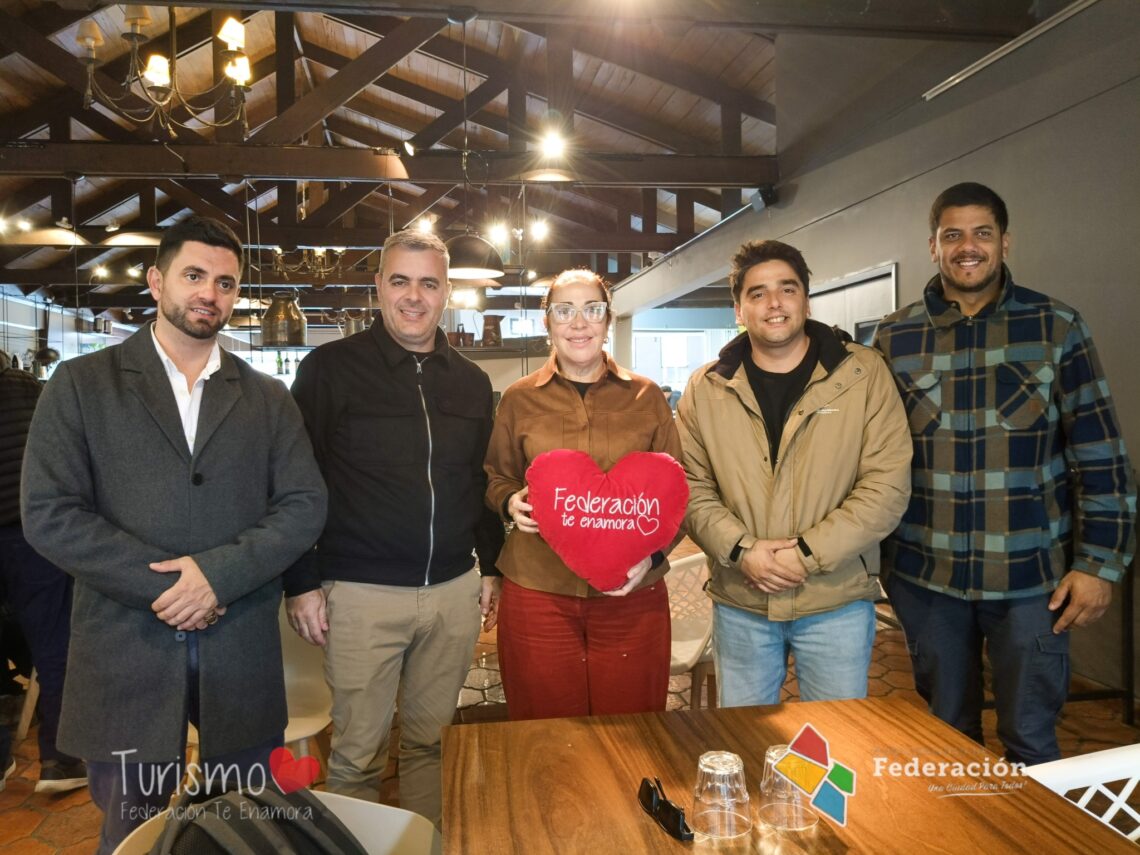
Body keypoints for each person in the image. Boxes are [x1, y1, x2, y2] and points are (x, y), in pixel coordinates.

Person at [20, 216, 328, 853]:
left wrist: (217, 575)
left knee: (246, 826)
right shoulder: (80, 386)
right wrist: (169, 586)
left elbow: (303, 505)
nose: (209, 293)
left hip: (238, 642)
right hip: (126, 648)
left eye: (225, 282)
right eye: (194, 275)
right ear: (158, 280)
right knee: (133, 828)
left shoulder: (269, 397)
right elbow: (50, 512)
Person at [874, 182, 1136, 765]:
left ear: (1005, 242)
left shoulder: (1057, 327)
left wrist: (1100, 565)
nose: (968, 247)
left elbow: (1101, 455)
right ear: (933, 246)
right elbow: (872, 455)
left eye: (982, 234)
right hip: (926, 577)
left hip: (1030, 582)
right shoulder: (894, 337)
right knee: (947, 742)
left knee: (1032, 742)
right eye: (953, 235)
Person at [284, 230, 503, 827]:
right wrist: (301, 582)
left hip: (454, 592)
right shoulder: (330, 369)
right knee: (356, 756)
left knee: (432, 745)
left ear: (446, 293)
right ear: (378, 287)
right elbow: (295, 482)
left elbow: (479, 484)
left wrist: (494, 568)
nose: (414, 296)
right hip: (360, 595)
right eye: (400, 281)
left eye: (428, 283)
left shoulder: (471, 382)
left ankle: (424, 846)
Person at [677, 240, 912, 706]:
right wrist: (742, 550)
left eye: (787, 289)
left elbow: (885, 486)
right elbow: (689, 487)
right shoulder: (705, 388)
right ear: (739, 310)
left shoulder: (864, 375)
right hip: (742, 601)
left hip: (836, 601)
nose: (775, 303)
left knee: (838, 751)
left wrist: (804, 554)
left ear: (806, 298)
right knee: (743, 742)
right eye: (758, 293)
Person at [484, 268, 682, 720]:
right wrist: (509, 501)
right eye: (564, 311)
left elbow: (677, 492)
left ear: (608, 320)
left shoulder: (647, 397)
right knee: (545, 727)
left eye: (592, 310)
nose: (579, 323)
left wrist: (651, 560)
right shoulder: (518, 399)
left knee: (632, 727)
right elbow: (496, 475)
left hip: (632, 594)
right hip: (538, 590)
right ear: (547, 322)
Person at [0, 352, 86, 794]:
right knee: (55, 647)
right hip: (31, 536)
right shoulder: (28, 388)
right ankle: (61, 761)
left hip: (27, 534)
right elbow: (62, 459)